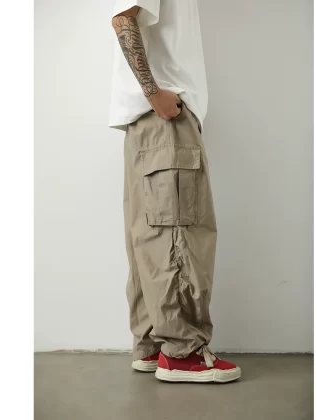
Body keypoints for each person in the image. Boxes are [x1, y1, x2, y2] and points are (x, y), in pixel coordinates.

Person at [109, 0, 241, 383]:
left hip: (146, 124)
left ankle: (152, 344)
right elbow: (123, 20)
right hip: (165, 118)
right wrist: (154, 94)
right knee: (179, 233)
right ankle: (182, 352)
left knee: (148, 235)